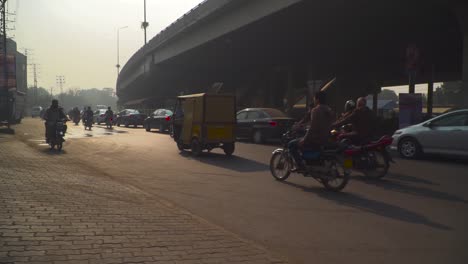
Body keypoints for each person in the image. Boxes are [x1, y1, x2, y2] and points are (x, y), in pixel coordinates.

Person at [288, 91, 334, 172]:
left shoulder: (316, 110)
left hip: (315, 138)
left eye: (314, 98)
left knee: (291, 144)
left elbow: (313, 127)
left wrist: (304, 139)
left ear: (317, 99)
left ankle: (300, 166)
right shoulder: (329, 109)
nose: (314, 100)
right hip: (326, 138)